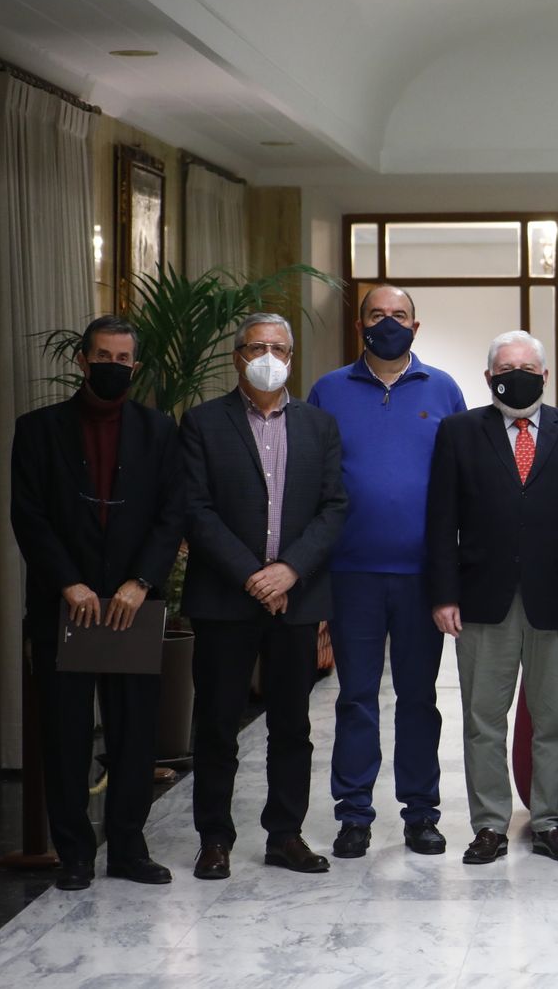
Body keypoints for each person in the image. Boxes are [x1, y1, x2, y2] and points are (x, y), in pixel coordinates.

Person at [9, 315, 184, 891]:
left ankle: (129, 849)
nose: (112, 366)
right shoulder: (37, 430)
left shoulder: (160, 431)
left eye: (123, 358)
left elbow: (171, 514)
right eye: (102, 356)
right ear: (82, 360)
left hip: (133, 606)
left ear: (135, 366)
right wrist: (69, 583)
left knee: (135, 733)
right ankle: (76, 854)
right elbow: (27, 515)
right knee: (65, 734)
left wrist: (140, 581)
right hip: (66, 606)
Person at [425, 330, 558, 865]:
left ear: (545, 376)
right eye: (506, 366)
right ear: (489, 377)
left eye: (528, 366)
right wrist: (444, 594)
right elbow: (442, 520)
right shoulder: (459, 432)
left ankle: (549, 819)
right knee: (484, 719)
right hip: (483, 600)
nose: (517, 373)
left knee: (554, 718)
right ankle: (489, 826)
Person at [180, 312, 347, 880]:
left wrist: (288, 571)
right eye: (257, 346)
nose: (268, 356)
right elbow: (196, 510)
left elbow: (334, 508)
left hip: (296, 600)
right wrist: (254, 575)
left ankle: (285, 835)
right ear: (238, 357)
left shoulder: (320, 426)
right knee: (218, 723)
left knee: (292, 725)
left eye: (278, 347)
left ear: (292, 357)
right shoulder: (203, 423)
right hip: (226, 599)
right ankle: (214, 839)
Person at [305, 286, 466, 860]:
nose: (389, 323)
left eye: (399, 315)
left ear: (416, 327)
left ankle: (421, 814)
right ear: (360, 324)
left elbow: (461, 480)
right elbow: (311, 482)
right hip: (351, 576)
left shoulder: (443, 389)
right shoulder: (327, 390)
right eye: (378, 315)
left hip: (424, 578)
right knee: (355, 698)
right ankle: (354, 817)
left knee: (420, 698)